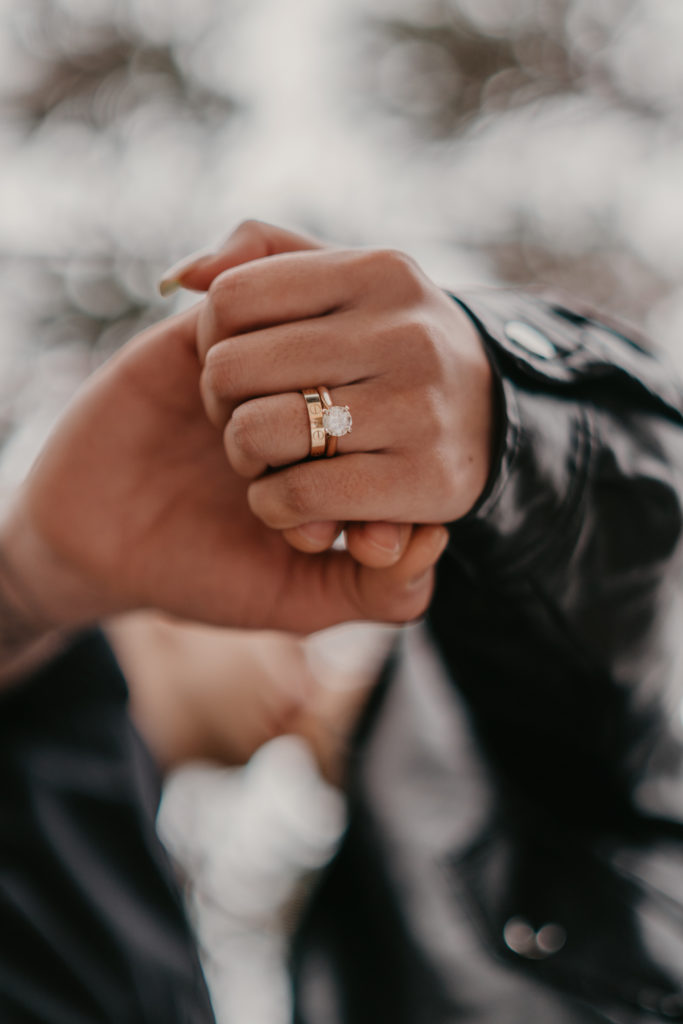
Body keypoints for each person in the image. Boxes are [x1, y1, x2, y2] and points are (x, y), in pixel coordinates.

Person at [1, 216, 683, 1022]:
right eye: (301, 646)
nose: (311, 652)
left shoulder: (148, 937)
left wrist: (500, 425)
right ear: (167, 613)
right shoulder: (62, 792)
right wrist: (26, 582)